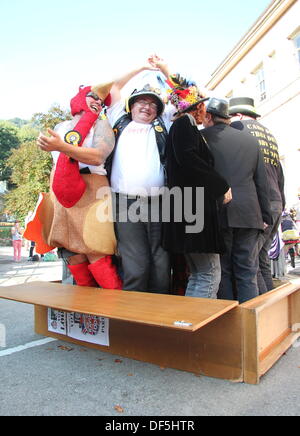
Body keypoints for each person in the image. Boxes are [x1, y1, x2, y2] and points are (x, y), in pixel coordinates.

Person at [25, 83, 122, 289]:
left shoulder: (101, 125)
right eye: (92, 96)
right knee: (72, 252)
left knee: (96, 248)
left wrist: (62, 147)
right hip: (61, 191)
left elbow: (98, 156)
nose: (97, 101)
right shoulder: (61, 126)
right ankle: (84, 310)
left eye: (100, 100)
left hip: (92, 189)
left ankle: (113, 308)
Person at [105, 56, 176, 293]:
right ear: (131, 105)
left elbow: (185, 95)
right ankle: (134, 315)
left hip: (159, 201)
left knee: (161, 260)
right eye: (141, 102)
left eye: (152, 104)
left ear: (159, 110)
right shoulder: (118, 119)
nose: (146, 107)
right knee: (135, 262)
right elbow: (114, 86)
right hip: (125, 201)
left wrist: (164, 69)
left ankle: (161, 313)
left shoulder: (164, 122)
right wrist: (143, 67)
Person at [161, 77, 231, 298]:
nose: (205, 111)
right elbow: (188, 159)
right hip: (194, 211)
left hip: (188, 209)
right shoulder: (185, 125)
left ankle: (189, 324)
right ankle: (197, 329)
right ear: (197, 107)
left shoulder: (180, 126)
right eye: (203, 106)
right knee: (209, 274)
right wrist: (221, 186)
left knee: (200, 273)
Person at [201, 98, 273, 303]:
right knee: (247, 271)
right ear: (228, 117)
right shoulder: (250, 141)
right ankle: (250, 325)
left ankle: (230, 325)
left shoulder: (201, 138)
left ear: (209, 117)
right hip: (250, 214)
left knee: (222, 270)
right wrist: (265, 215)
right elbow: (262, 182)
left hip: (217, 211)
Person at [229, 96, 285, 293]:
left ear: (239, 115)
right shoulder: (268, 134)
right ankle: (271, 310)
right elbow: (279, 173)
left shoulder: (239, 129)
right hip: (276, 201)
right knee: (262, 262)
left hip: (258, 203)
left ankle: (260, 317)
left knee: (249, 265)